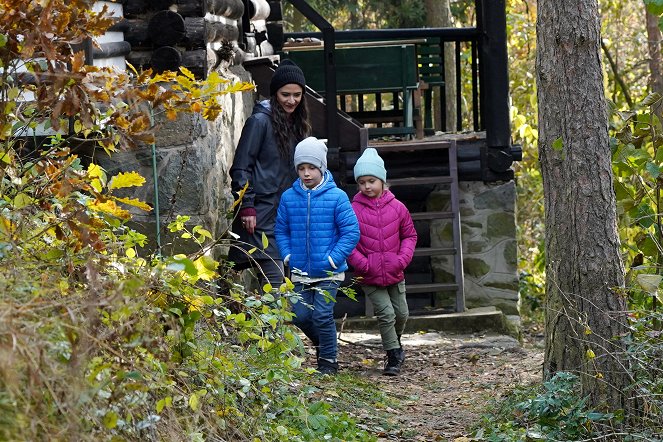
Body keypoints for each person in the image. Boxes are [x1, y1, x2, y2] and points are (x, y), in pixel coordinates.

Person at [275, 137, 360, 375]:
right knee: (300, 315)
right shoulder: (288, 198)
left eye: (311, 167)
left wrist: (333, 259)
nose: (306, 173)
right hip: (300, 270)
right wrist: (288, 255)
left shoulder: (337, 197)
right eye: (301, 168)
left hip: (329, 271)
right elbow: (281, 230)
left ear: (322, 167)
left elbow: (351, 232)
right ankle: (325, 345)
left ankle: (328, 362)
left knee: (322, 314)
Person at [228, 59, 311, 288]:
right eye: (286, 94)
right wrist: (247, 207)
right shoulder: (259, 122)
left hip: (284, 215)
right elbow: (241, 167)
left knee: (284, 281)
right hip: (261, 214)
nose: (292, 100)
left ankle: (270, 323)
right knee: (275, 281)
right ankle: (273, 324)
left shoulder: (296, 124)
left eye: (297, 95)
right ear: (275, 94)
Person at [348, 148, 417, 376]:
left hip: (395, 271)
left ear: (382, 180)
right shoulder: (353, 210)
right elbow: (347, 241)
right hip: (369, 275)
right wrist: (363, 264)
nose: (367, 186)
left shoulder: (398, 208)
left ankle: (394, 342)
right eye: (362, 182)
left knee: (402, 314)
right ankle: (393, 355)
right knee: (386, 314)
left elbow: (409, 235)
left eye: (371, 181)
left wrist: (402, 259)